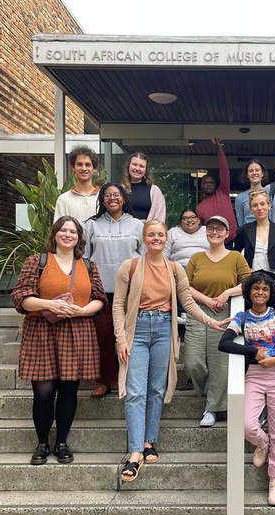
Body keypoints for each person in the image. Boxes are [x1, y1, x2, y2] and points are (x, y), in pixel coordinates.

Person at [112, 220, 228, 483]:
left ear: (166, 239)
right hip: (137, 331)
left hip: (164, 329)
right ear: (144, 238)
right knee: (135, 391)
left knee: (156, 389)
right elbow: (118, 305)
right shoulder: (128, 267)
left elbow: (187, 301)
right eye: (151, 234)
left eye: (160, 235)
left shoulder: (175, 269)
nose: (156, 238)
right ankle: (135, 451)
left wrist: (211, 321)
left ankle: (149, 441)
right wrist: (121, 338)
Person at [11, 216, 107, 465]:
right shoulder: (38, 261)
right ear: (54, 235)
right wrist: (50, 304)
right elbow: (21, 296)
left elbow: (99, 298)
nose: (67, 234)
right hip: (41, 331)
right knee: (43, 392)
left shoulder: (88, 265)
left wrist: (82, 311)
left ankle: (62, 442)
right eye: (62, 230)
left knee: (68, 390)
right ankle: (42, 443)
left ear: (79, 237)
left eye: (72, 231)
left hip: (77, 331)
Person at [217, 272, 275, 506]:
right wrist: (252, 352)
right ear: (249, 292)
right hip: (255, 375)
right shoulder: (242, 317)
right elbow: (224, 343)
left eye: (265, 289)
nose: (260, 293)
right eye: (256, 289)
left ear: (271, 293)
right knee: (247, 423)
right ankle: (261, 442)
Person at [184, 215, 251, 427]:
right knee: (193, 361)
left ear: (227, 233)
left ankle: (211, 408)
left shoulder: (235, 258)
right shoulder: (196, 258)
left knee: (219, 363)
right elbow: (186, 286)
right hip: (198, 310)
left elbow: (248, 283)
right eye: (211, 228)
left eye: (219, 229)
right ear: (206, 232)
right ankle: (206, 389)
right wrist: (207, 300)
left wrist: (226, 294)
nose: (215, 232)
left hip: (224, 311)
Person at [83, 183, 145, 398]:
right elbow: (84, 259)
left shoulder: (137, 225)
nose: (112, 198)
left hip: (130, 290)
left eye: (116, 195)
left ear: (124, 199)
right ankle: (104, 381)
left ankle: (129, 379)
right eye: (107, 195)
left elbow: (145, 258)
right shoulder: (91, 225)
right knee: (104, 337)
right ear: (102, 199)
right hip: (101, 291)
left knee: (131, 337)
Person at [233, 189, 275, 277]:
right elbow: (235, 255)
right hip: (250, 277)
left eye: (262, 204)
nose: (259, 208)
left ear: (269, 206)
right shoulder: (243, 230)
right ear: (251, 209)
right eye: (255, 205)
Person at [196, 138, 238, 244]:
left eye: (211, 182)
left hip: (234, 243)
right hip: (214, 246)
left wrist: (220, 151)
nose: (209, 184)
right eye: (205, 183)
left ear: (216, 185)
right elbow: (200, 231)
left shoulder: (222, 193)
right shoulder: (200, 208)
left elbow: (224, 171)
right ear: (201, 186)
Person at [54, 145, 100, 223]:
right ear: (73, 168)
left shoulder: (102, 198)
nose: (84, 168)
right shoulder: (63, 200)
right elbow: (58, 229)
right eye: (79, 164)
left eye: (87, 165)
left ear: (94, 169)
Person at [122, 151, 166, 222]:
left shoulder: (154, 190)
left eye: (141, 166)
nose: (137, 168)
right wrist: (140, 222)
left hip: (147, 231)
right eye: (134, 164)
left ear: (146, 170)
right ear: (128, 166)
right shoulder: (120, 190)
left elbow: (159, 219)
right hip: (124, 232)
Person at [234, 159, 267, 227]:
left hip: (268, 235)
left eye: (257, 170)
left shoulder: (270, 193)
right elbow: (241, 224)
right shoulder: (240, 198)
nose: (254, 173)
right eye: (251, 171)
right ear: (247, 175)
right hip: (248, 235)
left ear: (262, 173)